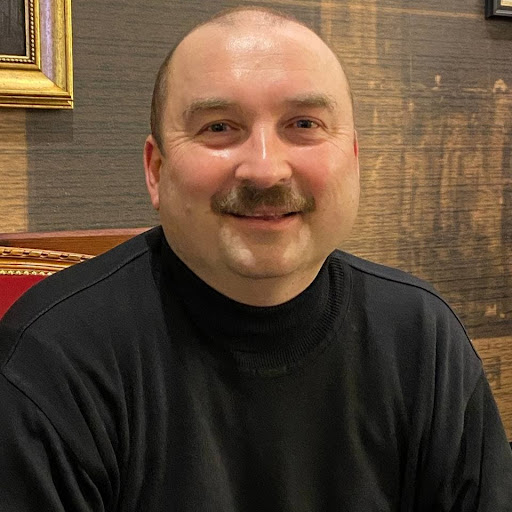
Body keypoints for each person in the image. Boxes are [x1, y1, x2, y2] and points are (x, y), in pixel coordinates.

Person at [0, 6, 511, 511]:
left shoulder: (421, 335)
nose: (265, 170)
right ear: (156, 171)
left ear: (354, 160)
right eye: (219, 127)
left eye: (304, 123)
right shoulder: (51, 360)